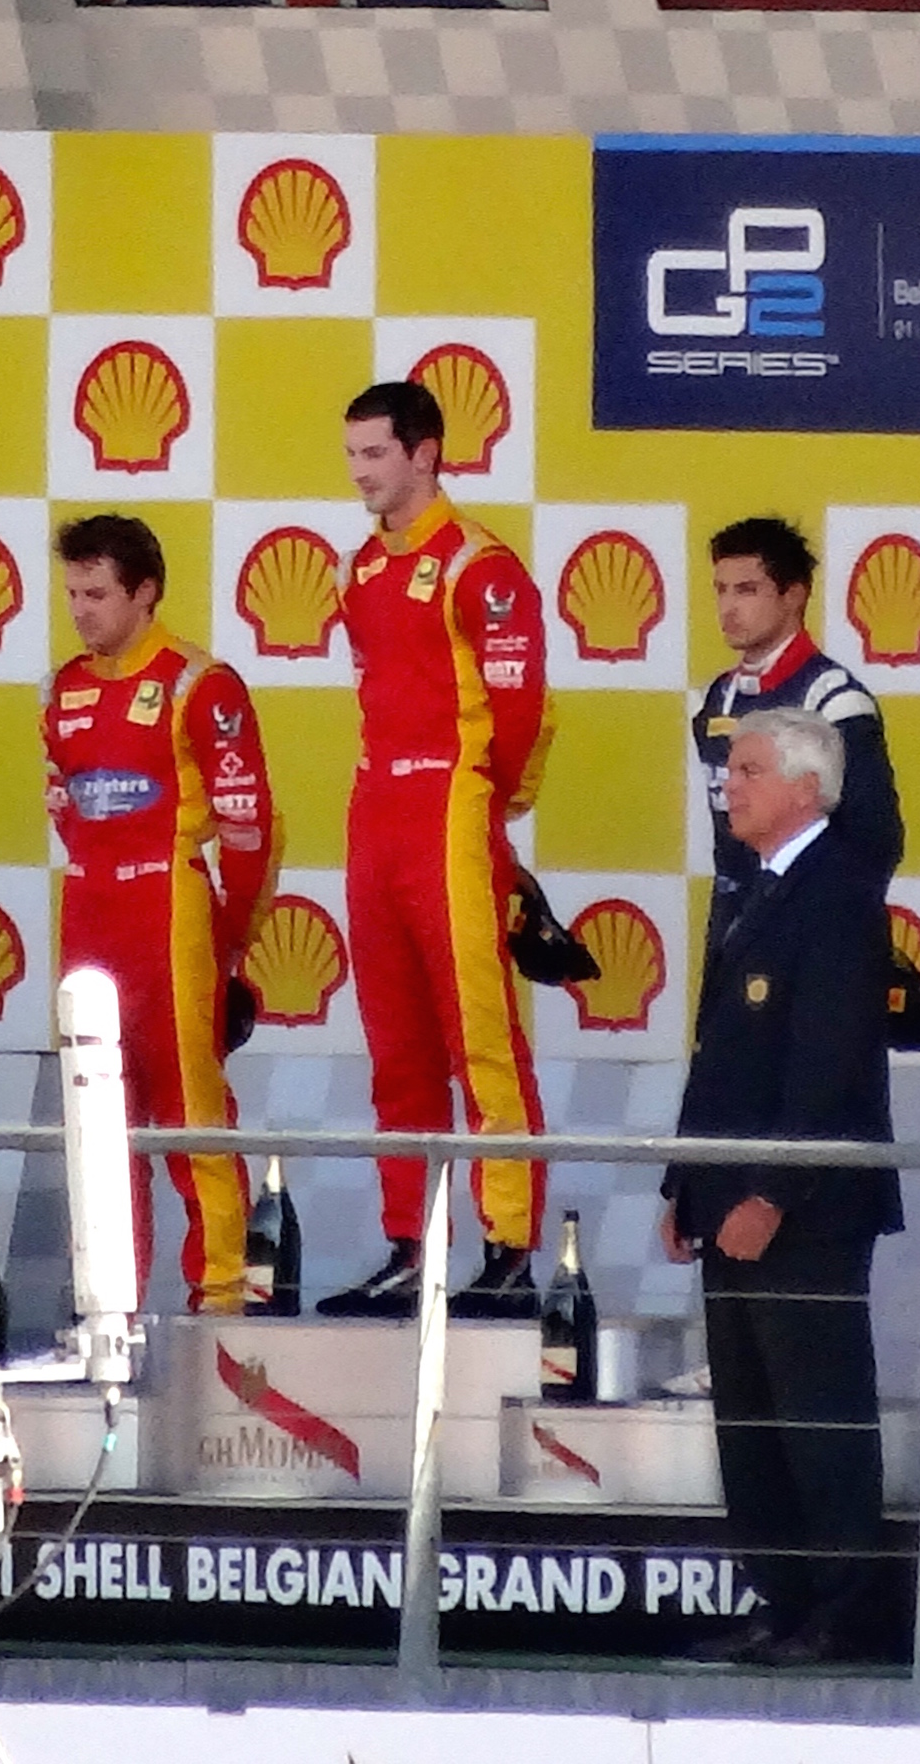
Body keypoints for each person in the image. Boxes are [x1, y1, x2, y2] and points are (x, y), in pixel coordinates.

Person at [665, 706, 902, 1666]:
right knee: (752, 1422)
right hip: (728, 1203)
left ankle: (846, 1612)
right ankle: (780, 1599)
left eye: (751, 769)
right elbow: (720, 1057)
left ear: (808, 788)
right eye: (730, 771)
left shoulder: (841, 893)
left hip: (800, 1210)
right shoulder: (750, 891)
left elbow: (829, 1065)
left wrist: (772, 1191)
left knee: (819, 1416)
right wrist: (686, 1186)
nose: (731, 785)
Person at [320, 377, 553, 1319]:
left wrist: (487, 812)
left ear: (426, 452)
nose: (361, 475)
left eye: (376, 455)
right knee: (397, 1047)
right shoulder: (356, 571)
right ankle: (410, 1246)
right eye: (352, 457)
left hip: (450, 809)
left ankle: (507, 1250)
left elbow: (524, 712)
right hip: (375, 807)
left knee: (480, 1040)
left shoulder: (480, 566)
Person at [46, 512, 281, 1312]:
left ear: (145, 593)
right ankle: (109, 1308)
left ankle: (221, 1298)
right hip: (85, 911)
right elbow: (65, 806)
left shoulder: (198, 683)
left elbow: (252, 831)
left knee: (190, 1114)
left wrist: (227, 946)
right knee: (98, 1120)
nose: (81, 609)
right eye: (73, 592)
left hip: (167, 909)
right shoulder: (63, 688)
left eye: (98, 593)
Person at [692, 515, 900, 887]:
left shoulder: (835, 701)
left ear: (794, 595)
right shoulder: (719, 697)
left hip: (810, 926)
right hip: (734, 923)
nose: (728, 608)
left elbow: (875, 842)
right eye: (721, 589)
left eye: (747, 590)